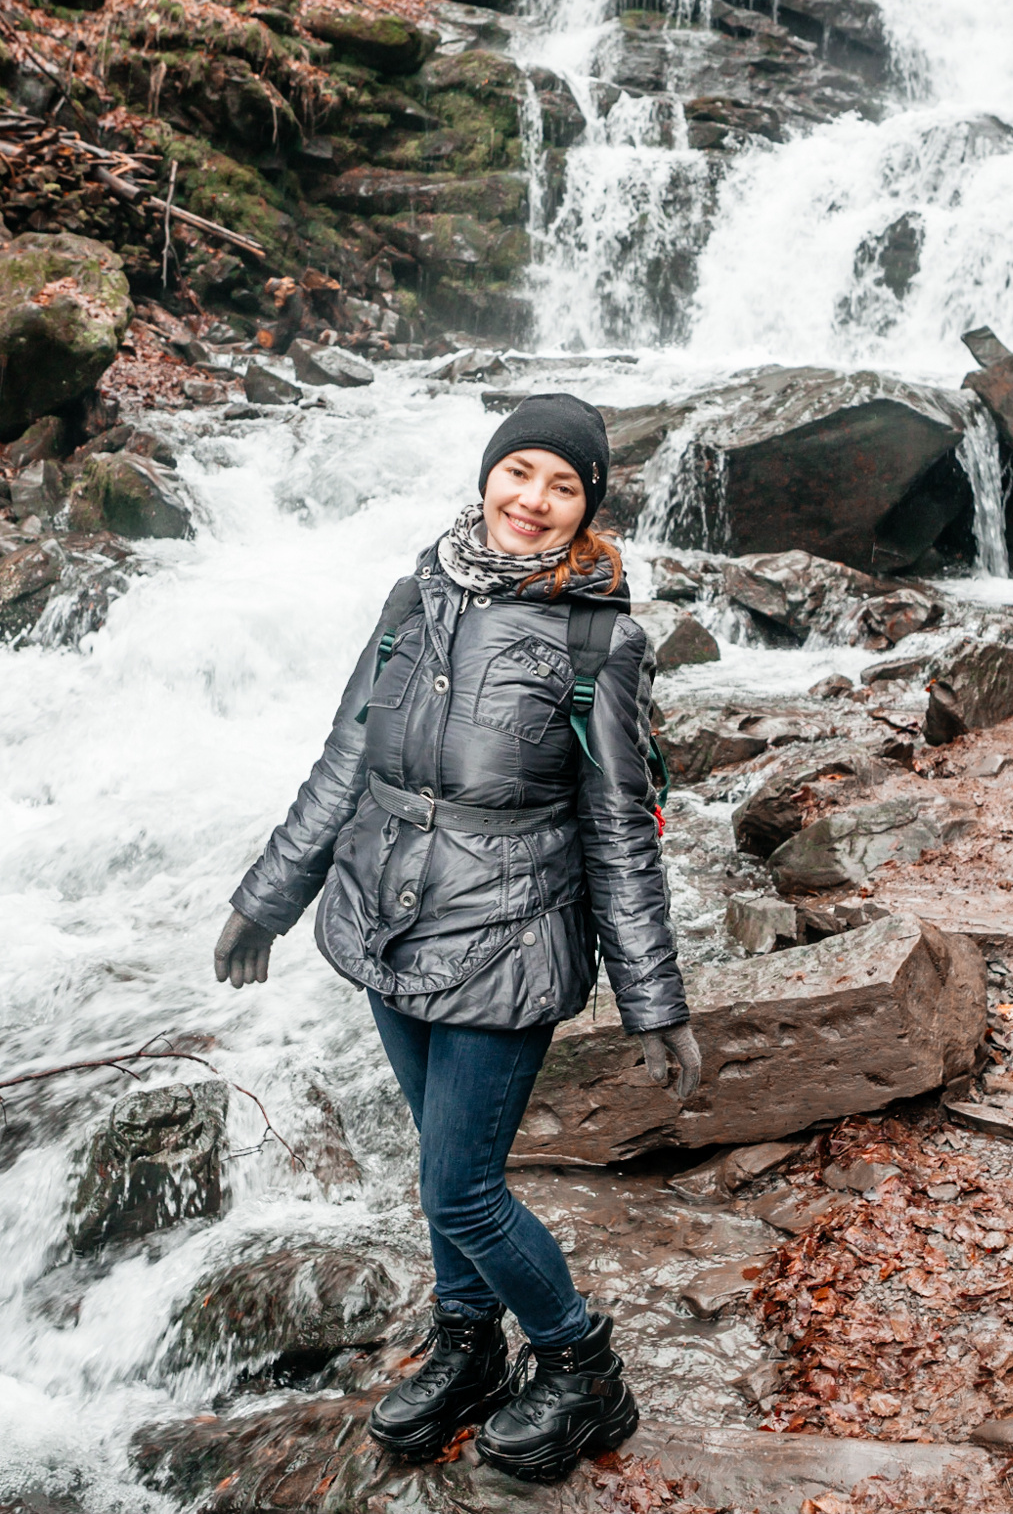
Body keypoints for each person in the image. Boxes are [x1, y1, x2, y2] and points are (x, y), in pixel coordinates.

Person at [211, 393, 702, 1482]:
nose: (531, 500)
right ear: (488, 474)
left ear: (586, 508)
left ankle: (580, 1365)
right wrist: (269, 895)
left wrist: (652, 997)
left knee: (459, 1187)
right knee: (443, 1166)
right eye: (518, 471)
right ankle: (470, 1347)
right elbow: (347, 758)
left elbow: (620, 827)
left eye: (562, 485)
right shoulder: (414, 593)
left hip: (507, 942)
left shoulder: (600, 641)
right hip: (388, 926)